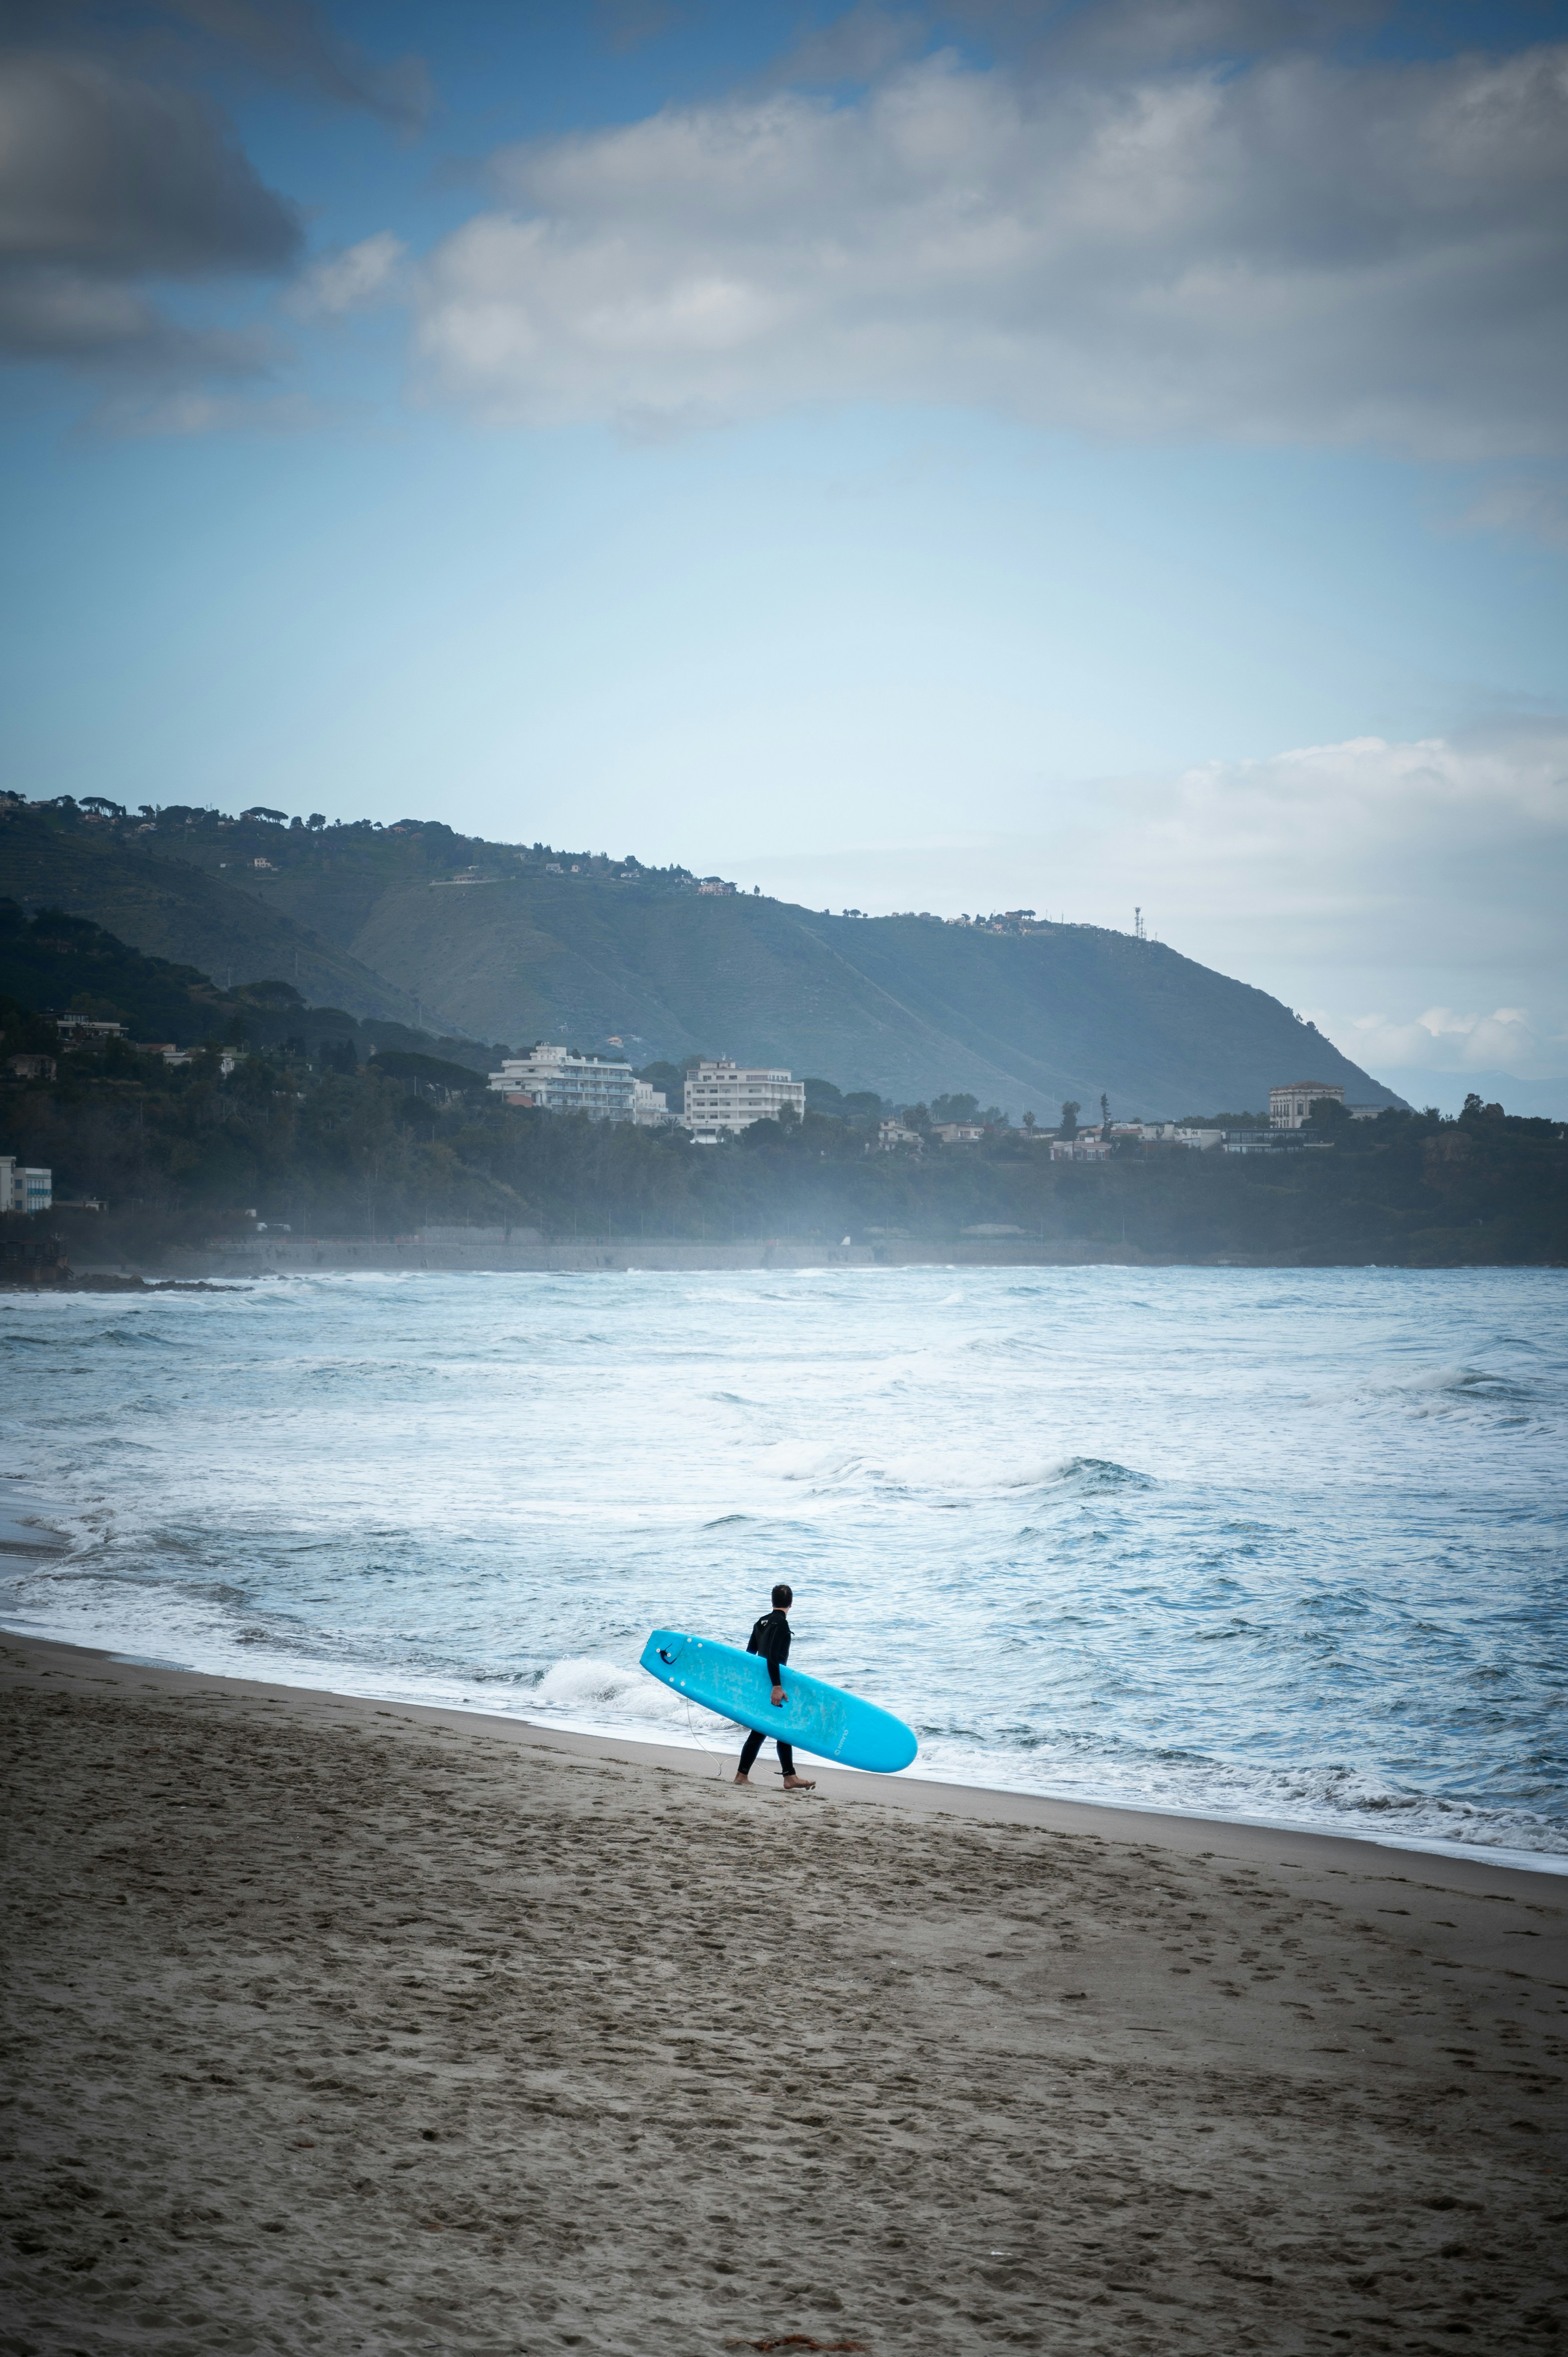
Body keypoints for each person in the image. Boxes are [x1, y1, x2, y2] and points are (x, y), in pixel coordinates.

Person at [734, 1582, 815, 1791]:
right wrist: (777, 1686)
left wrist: (751, 1686)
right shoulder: (781, 1624)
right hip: (773, 1682)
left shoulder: (761, 1622)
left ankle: (743, 1775)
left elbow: (749, 1656)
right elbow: (772, 1656)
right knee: (780, 1728)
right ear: (791, 1603)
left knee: (762, 1729)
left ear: (772, 1601)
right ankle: (789, 1778)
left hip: (763, 1683)